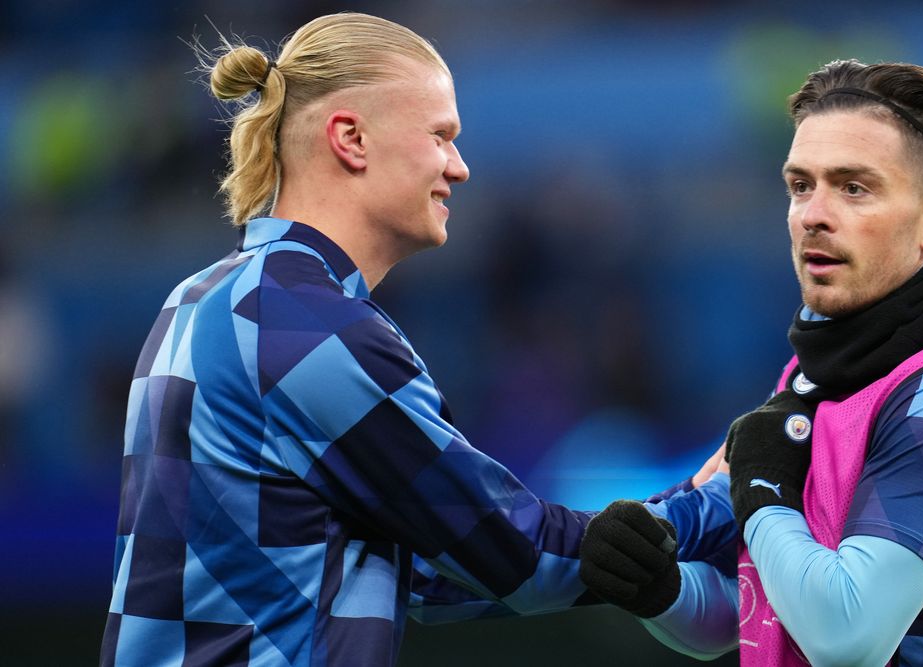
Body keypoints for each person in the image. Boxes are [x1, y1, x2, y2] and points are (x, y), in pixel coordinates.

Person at [99, 13, 736, 666]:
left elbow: (434, 572)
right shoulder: (306, 325)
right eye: (441, 136)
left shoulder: (202, 298)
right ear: (350, 138)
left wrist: (671, 521)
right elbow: (509, 551)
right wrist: (722, 499)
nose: (459, 167)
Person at [579, 59, 923, 665]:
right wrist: (663, 590)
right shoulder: (826, 370)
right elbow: (759, 612)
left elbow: (845, 637)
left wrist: (762, 490)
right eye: (801, 185)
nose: (813, 214)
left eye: (853, 187)